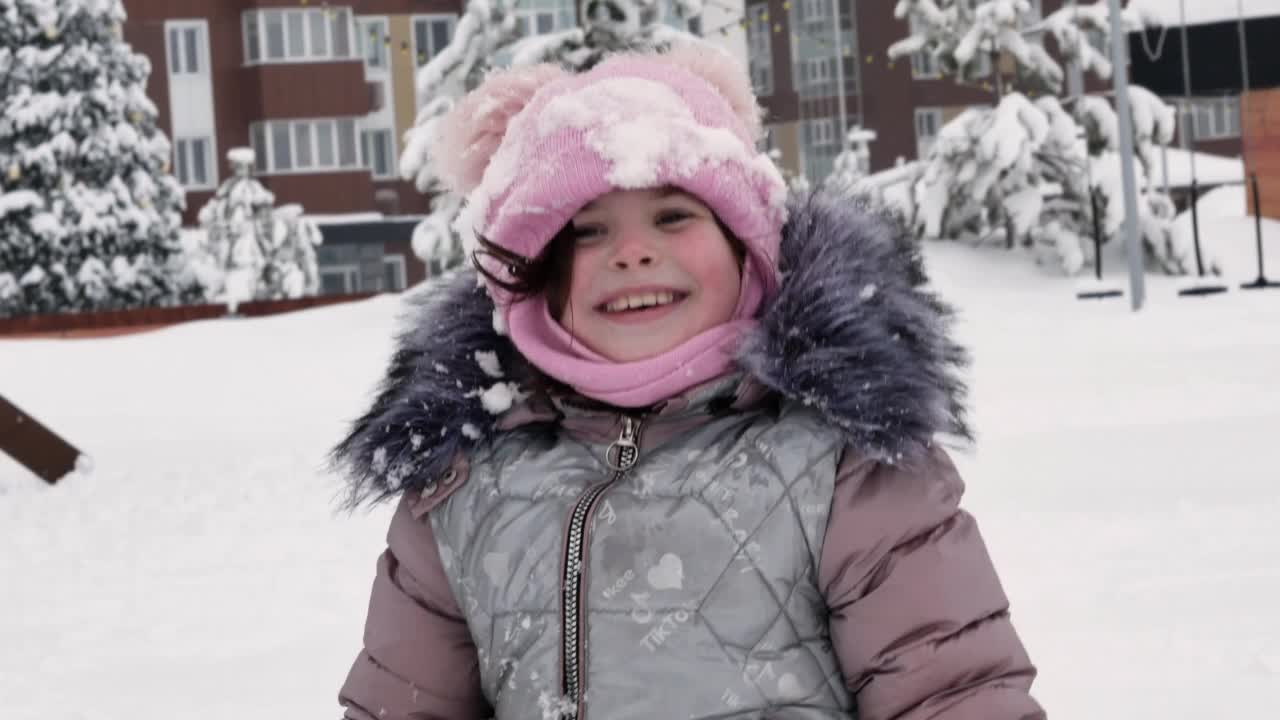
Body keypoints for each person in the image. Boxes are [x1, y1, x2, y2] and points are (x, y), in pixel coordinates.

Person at [332, 46, 1045, 720]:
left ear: (748, 250)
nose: (634, 252)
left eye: (673, 216)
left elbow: (953, 690)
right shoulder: (462, 487)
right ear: (534, 277)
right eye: (586, 232)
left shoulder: (842, 463)